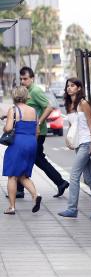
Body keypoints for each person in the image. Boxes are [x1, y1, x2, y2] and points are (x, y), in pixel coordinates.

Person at [12, 67, 69, 199]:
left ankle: (21, 189)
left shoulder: (35, 91)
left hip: (37, 133)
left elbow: (49, 107)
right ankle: (60, 182)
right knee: (35, 159)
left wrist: (39, 122)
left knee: (29, 158)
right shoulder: (25, 92)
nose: (23, 81)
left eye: (25, 78)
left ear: (32, 78)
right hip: (30, 133)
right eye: (21, 79)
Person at [58, 78, 91, 219]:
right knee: (90, 178)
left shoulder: (83, 103)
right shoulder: (69, 104)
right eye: (68, 86)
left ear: (79, 88)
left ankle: (72, 208)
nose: (69, 88)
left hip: (86, 143)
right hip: (78, 144)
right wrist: (68, 138)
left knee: (74, 175)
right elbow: (73, 125)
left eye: (72, 86)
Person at [3, 86, 42, 215]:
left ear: (14, 96)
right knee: (23, 175)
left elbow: (8, 129)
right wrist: (32, 143)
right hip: (31, 143)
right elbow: (37, 131)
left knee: (12, 175)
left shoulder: (13, 110)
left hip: (18, 143)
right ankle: (35, 195)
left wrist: (5, 126)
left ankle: (12, 207)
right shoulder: (34, 111)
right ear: (26, 96)